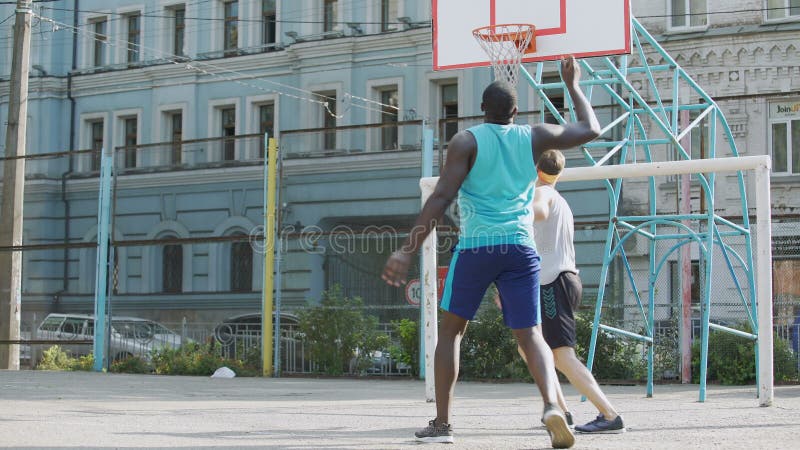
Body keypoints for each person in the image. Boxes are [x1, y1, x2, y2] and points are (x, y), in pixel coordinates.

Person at [381, 56, 600, 448]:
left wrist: (407, 248)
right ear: (515, 111)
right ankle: (552, 404)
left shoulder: (466, 140)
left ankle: (442, 424)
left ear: (482, 110)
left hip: (478, 247)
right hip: (520, 246)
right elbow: (590, 129)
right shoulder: (533, 136)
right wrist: (573, 84)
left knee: (450, 333)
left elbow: (441, 198)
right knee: (531, 334)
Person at [528, 149, 625, 434]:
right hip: (554, 281)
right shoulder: (562, 200)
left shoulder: (543, 194)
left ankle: (610, 414)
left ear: (535, 171)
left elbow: (538, 209)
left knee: (560, 356)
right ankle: (561, 411)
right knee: (529, 349)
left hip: (553, 283)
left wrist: (513, 209)